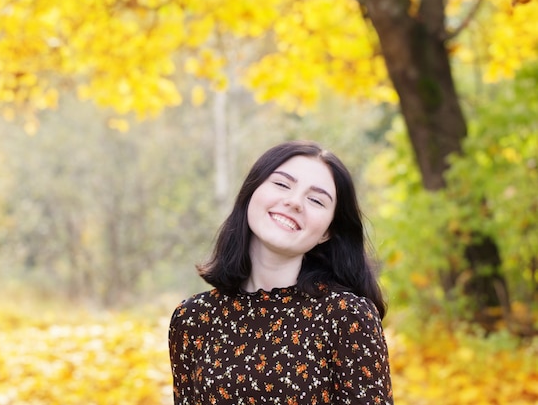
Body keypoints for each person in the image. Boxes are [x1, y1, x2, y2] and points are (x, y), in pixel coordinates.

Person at [168, 140, 393, 404]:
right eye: (282, 184)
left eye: (316, 200)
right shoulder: (193, 319)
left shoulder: (347, 318)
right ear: (252, 192)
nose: (295, 202)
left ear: (328, 231)